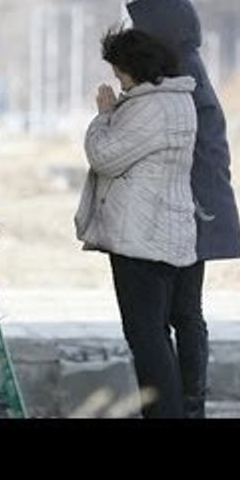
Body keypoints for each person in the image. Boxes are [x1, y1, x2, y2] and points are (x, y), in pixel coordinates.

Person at [127, 0, 240, 419]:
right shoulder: (186, 66)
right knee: (185, 313)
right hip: (194, 207)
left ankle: (185, 407)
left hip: (190, 210)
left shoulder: (183, 72)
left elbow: (187, 148)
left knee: (178, 314)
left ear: (162, 29)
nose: (133, 33)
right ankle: (188, 407)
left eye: (140, 26)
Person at [74, 26, 197, 418]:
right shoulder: (180, 100)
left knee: (145, 336)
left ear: (134, 68)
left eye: (119, 71)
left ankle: (163, 413)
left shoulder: (149, 107)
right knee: (157, 333)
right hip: (166, 229)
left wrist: (104, 116)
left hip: (139, 234)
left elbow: (104, 156)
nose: (118, 81)